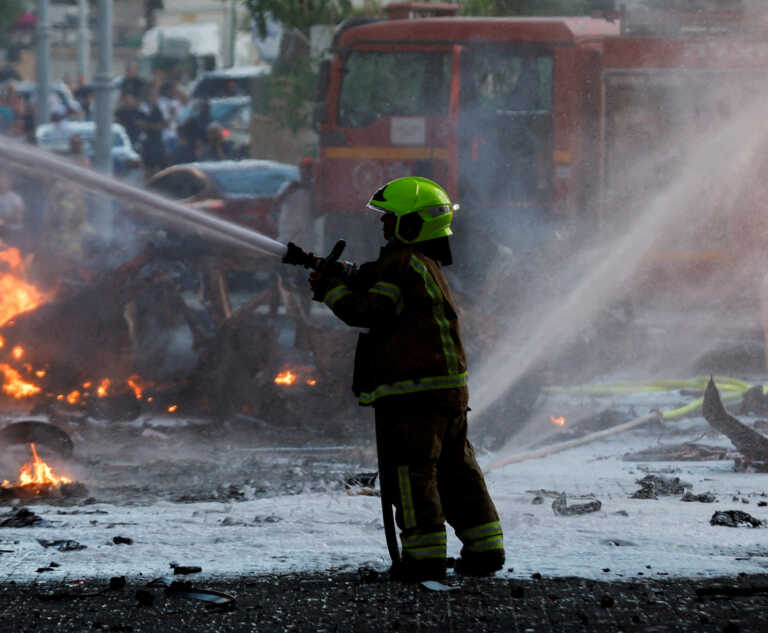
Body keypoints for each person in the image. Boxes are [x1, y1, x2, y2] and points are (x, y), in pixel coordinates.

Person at [305, 177, 505, 581]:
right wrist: (346, 273)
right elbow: (375, 281)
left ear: (411, 225)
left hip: (413, 394)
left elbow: (369, 311)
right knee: (457, 471)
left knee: (413, 475)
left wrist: (329, 290)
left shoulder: (401, 265)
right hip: (445, 392)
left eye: (389, 220)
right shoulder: (422, 265)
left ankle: (423, 557)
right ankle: (485, 549)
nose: (382, 226)